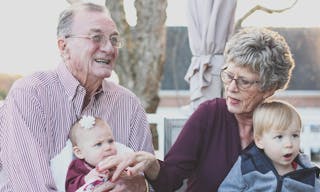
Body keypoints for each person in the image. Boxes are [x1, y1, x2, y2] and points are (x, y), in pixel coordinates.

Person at [96, 27, 296, 191]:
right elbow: (169, 180)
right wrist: (152, 164)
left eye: (244, 82)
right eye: (228, 75)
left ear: (269, 88)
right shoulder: (209, 115)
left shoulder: (282, 124)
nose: (231, 87)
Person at [0, 2, 154, 191]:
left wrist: (140, 185)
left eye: (114, 39)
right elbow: (32, 187)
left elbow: (148, 176)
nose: (109, 48)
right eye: (96, 37)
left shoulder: (129, 104)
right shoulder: (30, 94)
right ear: (63, 46)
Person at [218, 100, 320, 191]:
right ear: (259, 141)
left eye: (295, 135)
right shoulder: (248, 164)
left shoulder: (308, 173)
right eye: (279, 137)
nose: (289, 144)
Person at [65, 115, 117, 192]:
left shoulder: (117, 162)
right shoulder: (77, 166)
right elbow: (69, 188)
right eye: (98, 144)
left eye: (110, 141)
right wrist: (86, 179)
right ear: (79, 152)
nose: (108, 147)